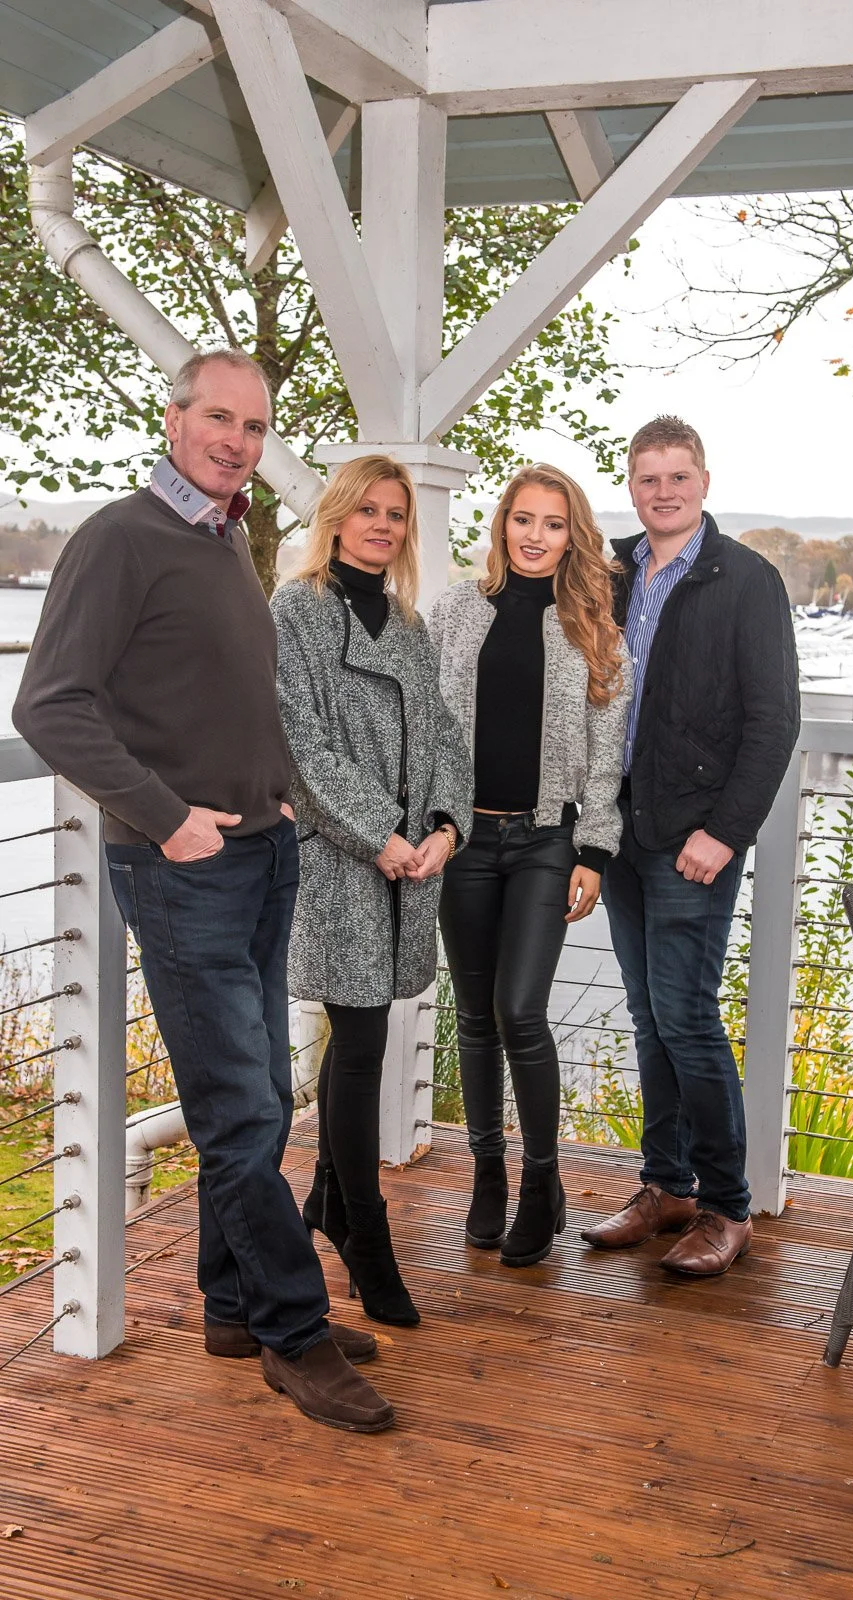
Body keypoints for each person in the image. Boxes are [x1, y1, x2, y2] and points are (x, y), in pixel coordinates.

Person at [12, 349, 393, 1433]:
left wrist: (274, 810)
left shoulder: (222, 539)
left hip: (262, 853)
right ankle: (294, 1334)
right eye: (217, 418)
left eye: (254, 425)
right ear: (174, 420)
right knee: (240, 1110)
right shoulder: (121, 539)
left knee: (263, 1091)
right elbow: (52, 707)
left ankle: (233, 1304)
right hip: (186, 869)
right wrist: (167, 813)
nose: (236, 440)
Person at [581, 417, 800, 1276]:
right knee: (647, 1016)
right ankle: (664, 1186)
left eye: (678, 476)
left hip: (693, 840)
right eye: (647, 478)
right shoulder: (611, 569)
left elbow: (774, 719)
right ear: (630, 486)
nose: (662, 491)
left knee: (687, 1016)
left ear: (703, 481)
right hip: (621, 830)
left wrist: (725, 831)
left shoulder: (747, 579)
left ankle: (725, 1206)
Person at [271, 454, 472, 1326]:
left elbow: (441, 738)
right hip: (342, 861)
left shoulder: (407, 623)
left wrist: (444, 826)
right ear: (338, 517)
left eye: (397, 514)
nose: (385, 525)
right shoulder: (297, 612)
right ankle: (367, 1237)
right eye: (369, 511)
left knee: (368, 1038)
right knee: (357, 1044)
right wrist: (381, 837)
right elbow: (300, 746)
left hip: (406, 863)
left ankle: (327, 1202)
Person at [429, 464, 631, 1267]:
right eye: (523, 519)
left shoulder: (593, 630)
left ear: (571, 534)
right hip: (464, 842)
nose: (535, 535)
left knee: (520, 1011)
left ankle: (542, 1179)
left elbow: (607, 760)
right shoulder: (455, 609)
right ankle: (489, 1176)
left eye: (552, 523)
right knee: (473, 1018)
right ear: (502, 525)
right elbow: (425, 720)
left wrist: (596, 851)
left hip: (547, 841)